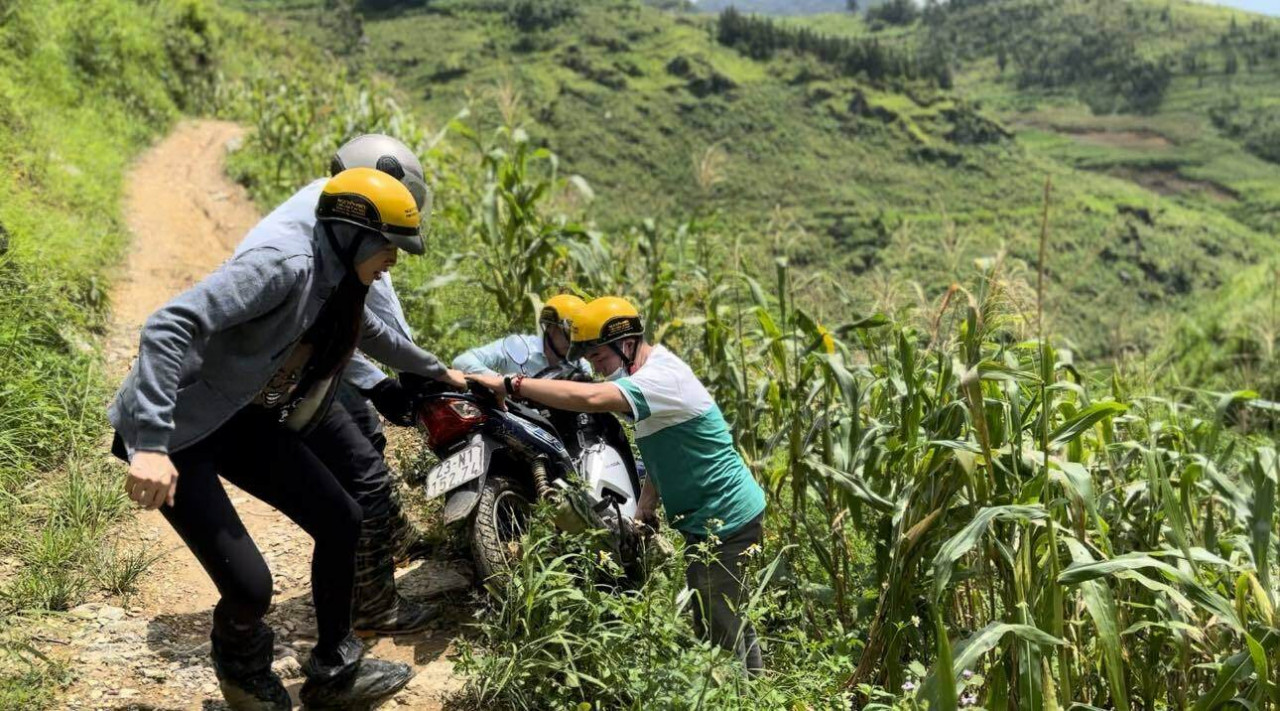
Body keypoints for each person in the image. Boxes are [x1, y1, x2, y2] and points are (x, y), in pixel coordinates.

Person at [108, 168, 467, 710]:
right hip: (178, 430)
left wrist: (441, 374)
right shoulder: (285, 265)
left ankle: (335, 670)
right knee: (251, 587)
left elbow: (374, 335)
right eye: (389, 247)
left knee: (341, 518)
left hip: (237, 415)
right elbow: (168, 325)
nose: (394, 260)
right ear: (354, 236)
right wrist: (153, 445)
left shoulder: (340, 281)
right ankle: (244, 679)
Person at [466, 296, 766, 674]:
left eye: (598, 357)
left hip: (727, 516)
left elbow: (591, 398)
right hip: (706, 519)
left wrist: (512, 384)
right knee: (719, 615)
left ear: (626, 344)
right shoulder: (643, 378)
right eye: (589, 359)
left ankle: (746, 693)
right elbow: (662, 454)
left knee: (721, 621)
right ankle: (742, 687)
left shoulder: (660, 377)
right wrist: (645, 508)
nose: (595, 366)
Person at [235, 135, 437, 621]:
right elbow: (372, 315)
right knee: (362, 476)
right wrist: (409, 376)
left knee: (365, 434)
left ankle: (384, 538)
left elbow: (354, 323)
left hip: (293, 365)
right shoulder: (333, 230)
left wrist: (396, 375)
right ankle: (371, 603)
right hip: (271, 381)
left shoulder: (323, 209)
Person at [451, 294, 590, 378]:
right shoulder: (518, 346)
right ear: (551, 327)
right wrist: (501, 381)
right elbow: (462, 362)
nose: (577, 340)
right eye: (572, 332)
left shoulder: (581, 365)